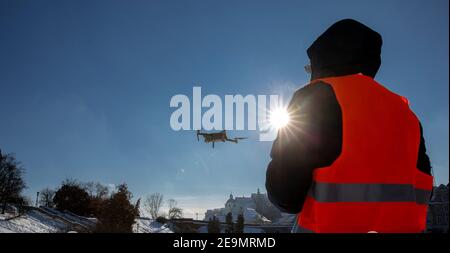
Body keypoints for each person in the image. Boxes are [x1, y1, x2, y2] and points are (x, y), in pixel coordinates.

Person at [265, 19, 433, 233]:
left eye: (310, 66)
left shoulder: (315, 98)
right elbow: (425, 192)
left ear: (323, 62)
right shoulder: (407, 115)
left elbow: (285, 195)